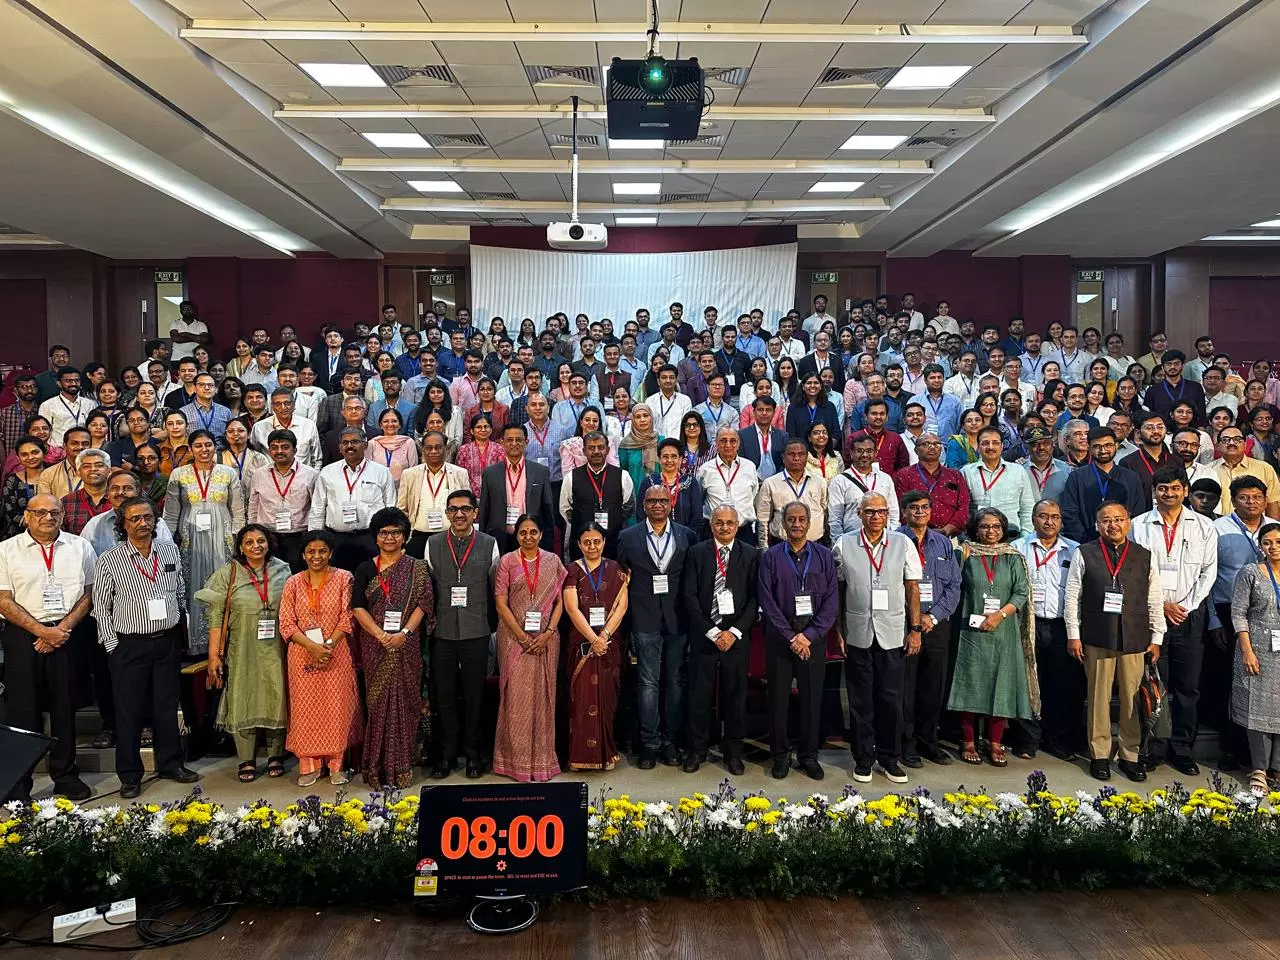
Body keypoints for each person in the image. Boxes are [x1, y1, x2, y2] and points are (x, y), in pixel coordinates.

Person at [91, 496, 196, 798]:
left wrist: (179, 629)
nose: (142, 523)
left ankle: (171, 763)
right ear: (123, 524)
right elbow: (101, 606)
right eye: (134, 518)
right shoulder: (110, 559)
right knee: (129, 712)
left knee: (166, 707)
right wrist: (112, 646)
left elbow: (178, 590)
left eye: (148, 517)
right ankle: (130, 774)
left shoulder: (169, 550)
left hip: (166, 642)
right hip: (129, 645)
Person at [0, 495, 95, 802]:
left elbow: (89, 592)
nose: (47, 517)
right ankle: (19, 785)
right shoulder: (6, 550)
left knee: (64, 709)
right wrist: (41, 631)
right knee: (22, 712)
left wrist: (61, 630)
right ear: (26, 516)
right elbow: (3, 599)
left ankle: (66, 776)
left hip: (67, 634)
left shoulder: (79, 546)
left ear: (62, 515)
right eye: (39, 512)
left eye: (54, 512)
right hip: (22, 636)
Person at [1065, 500, 1165, 782]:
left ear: (1128, 522)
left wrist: (1157, 636)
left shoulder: (1144, 555)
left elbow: (1154, 597)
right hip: (1097, 635)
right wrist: (1074, 634)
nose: (1113, 525)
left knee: (1132, 699)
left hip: (1135, 636)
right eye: (1106, 520)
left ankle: (1130, 754)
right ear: (1098, 525)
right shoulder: (1084, 552)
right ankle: (1099, 754)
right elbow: (1073, 596)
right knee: (1098, 697)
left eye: (1118, 519)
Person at [1130, 465, 1218, 775]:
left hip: (1189, 617)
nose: (1169, 493)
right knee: (1154, 684)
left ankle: (1182, 749)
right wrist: (1161, 605)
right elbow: (1133, 571)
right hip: (1150, 618)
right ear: (1154, 491)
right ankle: (1154, 748)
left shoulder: (1205, 526)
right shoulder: (1138, 525)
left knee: (1188, 687)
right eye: (1162, 488)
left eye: (1175, 488)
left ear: (1185, 490)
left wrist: (1184, 605)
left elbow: (1209, 573)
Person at [832, 494, 922, 784]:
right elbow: (837, 591)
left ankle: (890, 758)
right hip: (858, 633)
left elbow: (912, 588)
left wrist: (916, 629)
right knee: (861, 702)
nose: (875, 517)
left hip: (893, 633)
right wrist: (838, 630)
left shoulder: (902, 543)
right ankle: (863, 759)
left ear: (888, 514)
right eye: (869, 511)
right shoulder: (844, 544)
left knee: (891, 700)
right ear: (859, 513)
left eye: (881, 511)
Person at [198, 523, 291, 782]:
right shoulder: (228, 573)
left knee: (277, 694)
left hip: (277, 646)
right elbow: (216, 617)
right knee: (243, 696)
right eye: (249, 542)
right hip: (242, 646)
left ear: (269, 543)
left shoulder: (283, 570)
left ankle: (275, 755)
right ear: (240, 547)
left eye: (260, 541)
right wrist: (213, 655)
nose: (256, 546)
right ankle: (246, 759)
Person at [349, 507, 435, 788]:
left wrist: (405, 633)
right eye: (384, 532)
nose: (389, 537)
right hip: (375, 644)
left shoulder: (418, 567)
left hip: (407, 644)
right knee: (378, 703)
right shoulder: (365, 568)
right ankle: (376, 767)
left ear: (405, 537)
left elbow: (424, 604)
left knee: (406, 701)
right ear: (376, 537)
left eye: (396, 532)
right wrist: (380, 635)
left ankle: (402, 766)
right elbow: (358, 607)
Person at [948, 508, 1037, 767]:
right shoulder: (964, 553)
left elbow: (1021, 593)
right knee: (970, 683)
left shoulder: (1013, 557)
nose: (991, 531)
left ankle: (995, 741)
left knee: (1002, 686)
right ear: (975, 529)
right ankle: (968, 740)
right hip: (970, 631)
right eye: (985, 526)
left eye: (996, 526)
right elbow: (953, 585)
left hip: (1003, 631)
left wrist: (1000, 614)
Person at [616, 484, 696, 767]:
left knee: (674, 682)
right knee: (647, 683)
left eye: (663, 500)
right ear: (644, 505)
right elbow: (622, 577)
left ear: (671, 502)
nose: (658, 504)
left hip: (677, 620)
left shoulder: (687, 535)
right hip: (645, 618)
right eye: (652, 500)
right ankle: (649, 744)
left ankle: (671, 741)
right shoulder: (628, 537)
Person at [758, 502, 839, 780]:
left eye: (801, 519)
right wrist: (792, 636)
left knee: (812, 700)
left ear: (809, 523)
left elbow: (831, 603)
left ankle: (809, 756)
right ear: (783, 522)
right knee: (778, 700)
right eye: (790, 519)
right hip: (781, 637)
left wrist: (809, 636)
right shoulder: (770, 556)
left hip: (813, 637)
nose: (796, 524)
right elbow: (766, 601)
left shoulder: (824, 556)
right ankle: (780, 755)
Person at [425, 489, 498, 779]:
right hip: (442, 630)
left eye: (465, 509)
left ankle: (473, 755)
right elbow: (430, 585)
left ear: (475, 513)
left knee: (474, 696)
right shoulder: (432, 544)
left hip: (476, 629)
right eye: (453, 509)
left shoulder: (489, 544)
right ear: (446, 513)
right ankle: (446, 755)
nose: (459, 514)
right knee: (444, 696)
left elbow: (494, 588)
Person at [681, 505, 759, 775]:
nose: (724, 527)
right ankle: (696, 750)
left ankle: (733, 752)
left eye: (729, 523)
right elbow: (689, 597)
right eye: (719, 522)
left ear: (738, 525)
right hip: (705, 636)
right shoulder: (697, 553)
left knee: (735, 697)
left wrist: (733, 632)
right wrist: (713, 632)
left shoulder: (750, 555)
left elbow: (754, 599)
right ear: (711, 524)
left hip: (736, 638)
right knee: (699, 696)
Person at [491, 515, 567, 782]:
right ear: (517, 535)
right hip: (514, 640)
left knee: (544, 697)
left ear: (541, 534)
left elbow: (560, 602)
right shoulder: (507, 562)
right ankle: (513, 763)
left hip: (546, 640)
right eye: (523, 532)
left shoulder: (553, 561)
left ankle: (543, 761)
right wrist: (522, 637)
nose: (528, 537)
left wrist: (548, 633)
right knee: (515, 699)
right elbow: (501, 604)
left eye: (533, 532)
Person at [163, 429, 246, 654]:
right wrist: (167, 542)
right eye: (198, 445)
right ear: (190, 449)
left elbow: (238, 510)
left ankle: (225, 643)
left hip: (223, 540)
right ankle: (197, 644)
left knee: (223, 586)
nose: (204, 450)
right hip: (191, 541)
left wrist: (238, 540)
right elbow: (171, 514)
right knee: (193, 587)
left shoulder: (228, 473)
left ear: (215, 447)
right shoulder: (179, 474)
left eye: (208, 445)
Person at [1012, 499, 1082, 761]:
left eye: (1055, 516)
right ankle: (1027, 740)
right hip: (1027, 624)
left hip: (1061, 626)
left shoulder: (1074, 551)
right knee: (1027, 683)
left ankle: (1057, 740)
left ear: (1061, 521)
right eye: (1043, 516)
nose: (1049, 521)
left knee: (1060, 685)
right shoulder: (1018, 549)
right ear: (1033, 519)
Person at [897, 491, 962, 766]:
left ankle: (928, 743)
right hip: (903, 625)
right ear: (904, 512)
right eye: (914, 508)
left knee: (932, 688)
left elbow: (954, 586)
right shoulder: (895, 541)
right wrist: (914, 617)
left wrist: (932, 617)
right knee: (905, 688)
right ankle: (906, 745)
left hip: (936, 626)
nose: (920, 512)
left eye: (925, 507)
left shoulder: (944, 543)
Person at [561, 522, 629, 771]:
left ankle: (606, 754)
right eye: (586, 541)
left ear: (603, 542)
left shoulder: (616, 569)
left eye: (597, 541)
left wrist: (606, 635)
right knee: (581, 699)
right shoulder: (571, 570)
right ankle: (580, 756)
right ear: (579, 544)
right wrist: (594, 639)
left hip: (609, 642)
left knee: (606, 700)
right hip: (582, 643)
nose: (592, 546)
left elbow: (622, 606)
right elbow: (571, 608)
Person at [1229, 522, 1280, 794]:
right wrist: (1247, 650)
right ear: (1260, 546)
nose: (1273, 547)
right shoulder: (1250, 572)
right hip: (1257, 648)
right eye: (1267, 542)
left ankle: (1278, 768)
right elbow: (1238, 613)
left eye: (1278, 541)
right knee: (1257, 710)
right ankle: (1259, 768)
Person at [308, 427, 397, 571]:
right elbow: (318, 509)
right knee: (339, 585)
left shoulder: (381, 472)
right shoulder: (327, 472)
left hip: (370, 539)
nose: (349, 446)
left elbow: (391, 507)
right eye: (345, 443)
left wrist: (388, 539)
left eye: (355, 442)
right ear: (340, 448)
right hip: (336, 539)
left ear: (365, 445)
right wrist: (315, 540)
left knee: (372, 583)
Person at [476, 423, 556, 554]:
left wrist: (547, 544)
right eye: (509, 440)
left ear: (526, 442)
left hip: (530, 538)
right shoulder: (490, 473)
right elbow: (484, 510)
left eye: (518, 440)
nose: (514, 443)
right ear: (502, 442)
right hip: (499, 537)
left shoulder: (540, 472)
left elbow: (548, 511)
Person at [247, 429, 319, 573]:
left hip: (298, 537)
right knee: (269, 578)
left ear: (295, 450)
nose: (279, 451)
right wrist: (252, 533)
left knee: (297, 577)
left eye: (285, 447)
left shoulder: (310, 475)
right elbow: (253, 507)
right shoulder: (259, 474)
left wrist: (313, 538)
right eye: (274, 447)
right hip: (267, 537)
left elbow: (316, 509)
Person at [1060, 427, 1145, 543]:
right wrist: (1085, 542)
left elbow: (1138, 514)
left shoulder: (1131, 477)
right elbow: (1070, 513)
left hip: (1124, 543)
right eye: (1097, 447)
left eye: (1108, 445)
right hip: (1087, 544)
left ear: (1116, 446)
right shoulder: (1077, 477)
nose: (1103, 450)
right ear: (1089, 448)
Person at [561, 431, 634, 558]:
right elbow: (566, 509)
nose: (596, 452)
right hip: (582, 547)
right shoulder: (571, 477)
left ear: (608, 450)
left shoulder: (622, 476)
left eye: (600, 447)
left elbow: (629, 507)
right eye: (591, 448)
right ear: (584, 451)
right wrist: (584, 521)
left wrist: (614, 522)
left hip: (613, 543)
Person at [397, 431, 470, 558]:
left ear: (446, 449)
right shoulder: (410, 474)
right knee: (419, 576)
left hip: (450, 537)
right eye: (429, 448)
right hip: (418, 537)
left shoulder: (460, 473)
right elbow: (402, 509)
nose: (433, 451)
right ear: (423, 450)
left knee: (446, 577)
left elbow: (467, 507)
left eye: (438, 447)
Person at [892, 434, 968, 538]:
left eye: (936, 444)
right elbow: (901, 508)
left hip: (950, 535)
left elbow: (963, 507)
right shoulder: (904, 475)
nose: (932, 447)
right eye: (926, 444)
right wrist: (922, 530)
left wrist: (947, 530)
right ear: (916, 450)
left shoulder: (955, 475)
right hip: (915, 535)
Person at [755, 438, 827, 547]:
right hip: (781, 545)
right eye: (791, 454)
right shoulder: (770, 483)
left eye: (801, 454)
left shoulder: (819, 482)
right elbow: (763, 520)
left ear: (807, 457)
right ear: (783, 458)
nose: (796, 458)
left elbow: (825, 512)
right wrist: (764, 548)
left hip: (815, 544)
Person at [828, 433, 899, 538]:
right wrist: (840, 544)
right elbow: (835, 519)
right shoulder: (839, 481)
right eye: (859, 451)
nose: (865, 455)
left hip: (884, 540)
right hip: (852, 541)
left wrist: (893, 538)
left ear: (875, 453)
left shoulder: (885, 478)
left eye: (869, 451)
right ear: (851, 454)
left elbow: (893, 512)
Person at [1208, 424, 1280, 519]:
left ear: (1245, 444)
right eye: (1225, 440)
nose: (1231, 443)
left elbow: (1272, 503)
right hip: (1217, 527)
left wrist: (1272, 529)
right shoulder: (1208, 470)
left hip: (1256, 528)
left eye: (1237, 439)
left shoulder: (1265, 468)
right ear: (1217, 446)